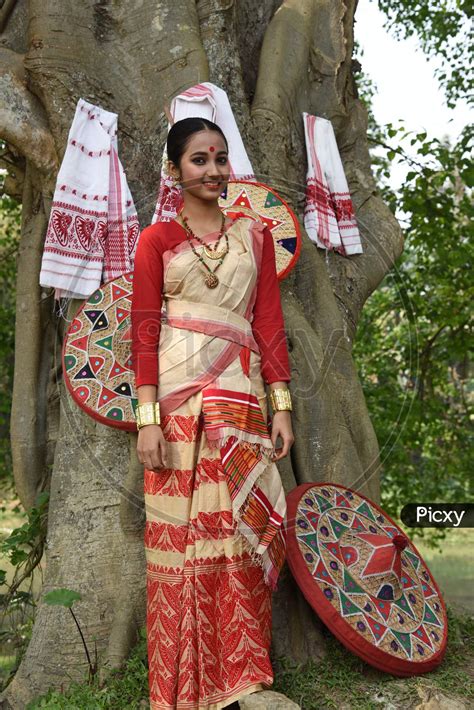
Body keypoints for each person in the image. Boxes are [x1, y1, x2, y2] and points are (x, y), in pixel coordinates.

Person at [131, 117, 294, 710]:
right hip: (177, 409)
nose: (213, 170)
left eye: (221, 159)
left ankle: (244, 677)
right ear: (174, 170)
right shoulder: (156, 241)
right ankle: (182, 686)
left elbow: (269, 325)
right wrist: (147, 419)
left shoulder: (254, 237)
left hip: (240, 398)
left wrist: (281, 405)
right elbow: (143, 330)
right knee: (180, 543)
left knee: (240, 534)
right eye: (199, 160)